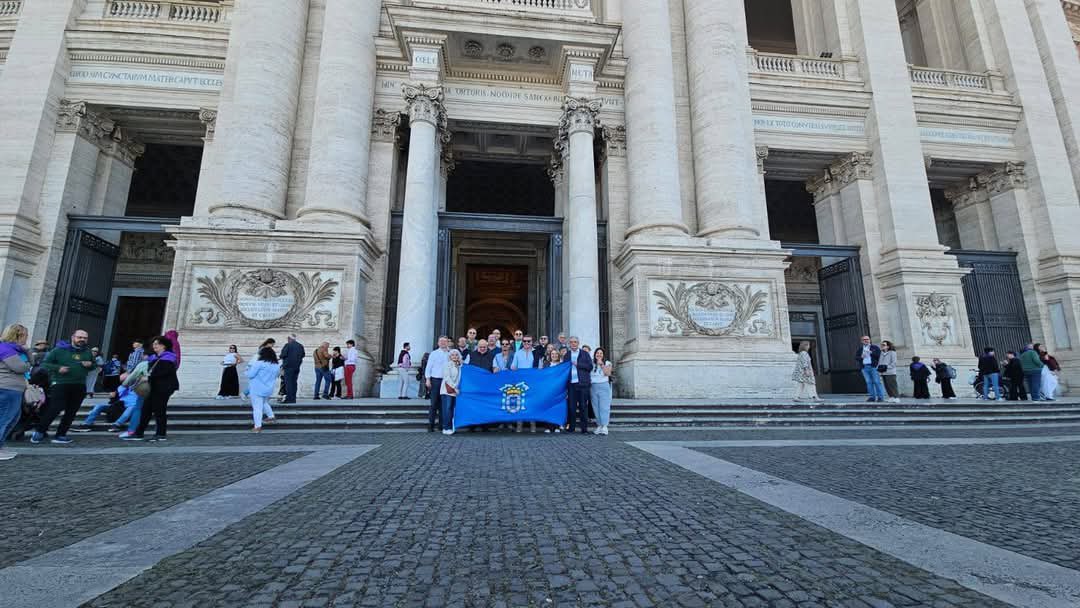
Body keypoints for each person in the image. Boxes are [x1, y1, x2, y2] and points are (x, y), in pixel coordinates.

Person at [31, 329, 98, 445]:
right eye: (79, 337)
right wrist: (58, 368)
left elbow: (94, 366)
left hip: (80, 385)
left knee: (72, 411)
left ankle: (61, 434)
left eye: (84, 338)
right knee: (55, 408)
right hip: (60, 383)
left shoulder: (88, 352)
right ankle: (40, 431)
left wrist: (90, 365)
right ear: (73, 337)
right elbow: (45, 364)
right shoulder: (58, 350)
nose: (82, 340)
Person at [127, 335, 180, 442]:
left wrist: (149, 376)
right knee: (146, 409)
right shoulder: (154, 358)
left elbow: (164, 372)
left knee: (159, 410)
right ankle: (139, 433)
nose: (154, 345)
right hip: (153, 387)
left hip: (164, 388)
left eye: (157, 344)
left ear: (164, 346)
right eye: (154, 343)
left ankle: (160, 434)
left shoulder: (169, 358)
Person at [0, 324, 30, 460]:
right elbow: (21, 367)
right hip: (7, 388)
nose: (27, 338)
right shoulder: (6, 349)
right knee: (5, 419)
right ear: (18, 335)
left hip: (13, 389)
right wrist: (28, 364)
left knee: (12, 418)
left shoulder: (16, 350)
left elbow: (31, 362)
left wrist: (28, 353)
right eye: (25, 335)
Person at [246, 346, 279, 433]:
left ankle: (257, 427)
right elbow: (276, 376)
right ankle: (271, 416)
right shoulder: (276, 365)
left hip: (257, 388)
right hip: (268, 388)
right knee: (264, 402)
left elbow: (250, 375)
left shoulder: (259, 363)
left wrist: (247, 370)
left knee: (257, 408)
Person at [564, 336, 593, 434]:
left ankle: (584, 429)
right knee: (571, 407)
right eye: (571, 342)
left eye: (575, 342)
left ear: (578, 343)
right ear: (569, 344)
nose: (573, 344)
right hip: (571, 384)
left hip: (583, 384)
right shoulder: (567, 355)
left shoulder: (584, 354)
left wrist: (578, 364)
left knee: (583, 407)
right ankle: (571, 427)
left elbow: (590, 367)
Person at [424, 337, 451, 432]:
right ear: (438, 343)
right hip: (435, 380)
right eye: (441, 341)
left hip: (446, 381)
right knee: (433, 404)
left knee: (444, 404)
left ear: (448, 343)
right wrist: (427, 379)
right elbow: (428, 367)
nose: (443, 343)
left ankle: (441, 425)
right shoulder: (434, 353)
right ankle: (430, 425)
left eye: (445, 341)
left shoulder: (450, 354)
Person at [590, 348, 614, 435]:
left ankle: (604, 426)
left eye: (601, 353)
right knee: (596, 407)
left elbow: (608, 373)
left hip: (603, 385)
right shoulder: (591, 363)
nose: (599, 355)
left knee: (604, 407)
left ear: (603, 355)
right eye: (597, 353)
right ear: (595, 354)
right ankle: (599, 425)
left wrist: (602, 365)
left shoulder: (607, 363)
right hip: (593, 386)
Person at [855, 336, 885, 402]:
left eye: (867, 339)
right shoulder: (860, 349)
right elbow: (856, 358)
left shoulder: (875, 347)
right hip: (864, 368)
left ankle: (880, 397)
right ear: (862, 341)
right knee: (868, 382)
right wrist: (861, 357)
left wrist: (871, 353)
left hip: (873, 367)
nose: (866, 340)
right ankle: (872, 397)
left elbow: (879, 356)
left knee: (877, 382)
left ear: (870, 340)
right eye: (864, 339)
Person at [440, 349, 462, 435]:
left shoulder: (459, 366)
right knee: (447, 409)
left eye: (456, 355)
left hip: (455, 391)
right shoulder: (447, 365)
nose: (455, 356)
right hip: (447, 390)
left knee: (452, 409)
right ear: (450, 356)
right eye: (453, 355)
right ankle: (446, 427)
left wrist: (456, 388)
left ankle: (451, 427)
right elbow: (447, 377)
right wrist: (454, 387)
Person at [279, 334, 304, 404]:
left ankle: (289, 399)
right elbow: (303, 355)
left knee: (288, 383)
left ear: (289, 338)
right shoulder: (300, 346)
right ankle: (293, 399)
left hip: (288, 367)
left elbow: (283, 355)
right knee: (294, 383)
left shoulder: (287, 345)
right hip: (296, 367)